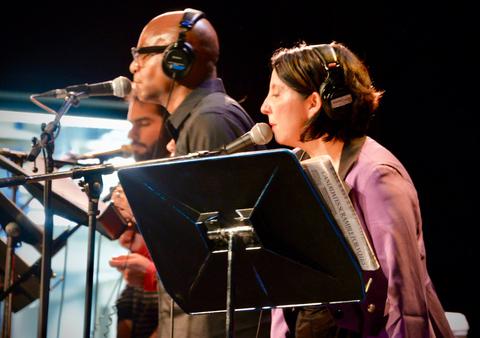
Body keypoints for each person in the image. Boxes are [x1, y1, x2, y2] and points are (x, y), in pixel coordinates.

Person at [260, 42, 454, 337]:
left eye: (277, 93)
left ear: (314, 103)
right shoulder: (292, 172)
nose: (265, 106)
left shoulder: (376, 175)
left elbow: (403, 297)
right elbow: (289, 287)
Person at [113, 7, 270, 338]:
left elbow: (215, 242)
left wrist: (143, 209)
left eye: (142, 54)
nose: (132, 66)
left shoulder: (210, 120)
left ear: (177, 59)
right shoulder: (197, 121)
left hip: (213, 321)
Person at [110, 97, 171, 338]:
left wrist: (150, 273)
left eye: (143, 123)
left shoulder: (174, 183)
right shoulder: (143, 180)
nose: (132, 135)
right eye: (131, 124)